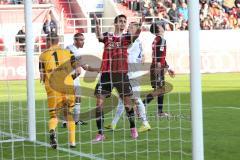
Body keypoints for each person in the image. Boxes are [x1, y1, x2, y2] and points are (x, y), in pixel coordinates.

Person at [92, 14, 138, 142]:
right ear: (115, 23)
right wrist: (96, 24)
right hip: (106, 73)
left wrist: (139, 26)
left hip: (120, 74)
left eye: (124, 21)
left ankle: (133, 128)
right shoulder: (107, 36)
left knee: (128, 104)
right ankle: (100, 134)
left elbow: (136, 35)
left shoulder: (126, 38)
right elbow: (99, 36)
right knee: (98, 104)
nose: (123, 23)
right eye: (121, 21)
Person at [104, 22, 151, 133]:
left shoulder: (132, 40)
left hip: (133, 74)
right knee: (122, 99)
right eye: (128, 26)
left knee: (136, 99)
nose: (128, 28)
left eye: (131, 27)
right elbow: (142, 55)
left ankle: (145, 123)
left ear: (136, 30)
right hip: (126, 74)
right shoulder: (134, 40)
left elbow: (124, 51)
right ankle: (113, 124)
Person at [39, 33, 77, 149]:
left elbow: (41, 76)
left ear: (48, 42)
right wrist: (71, 78)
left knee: (54, 115)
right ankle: (72, 143)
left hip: (52, 87)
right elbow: (78, 70)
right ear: (58, 41)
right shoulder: (68, 52)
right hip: (67, 84)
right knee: (69, 114)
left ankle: (52, 130)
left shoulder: (42, 56)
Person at [62, 32, 99, 127]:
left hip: (72, 77)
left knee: (77, 98)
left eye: (83, 40)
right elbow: (84, 67)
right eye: (81, 40)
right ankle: (66, 121)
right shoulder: (73, 50)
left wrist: (96, 69)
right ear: (75, 40)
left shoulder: (70, 48)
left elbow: (84, 67)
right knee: (71, 99)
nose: (83, 42)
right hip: (71, 77)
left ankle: (73, 121)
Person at [142, 21, 175, 117]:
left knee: (160, 89)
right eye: (160, 25)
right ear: (158, 29)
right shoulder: (161, 40)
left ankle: (159, 112)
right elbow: (159, 56)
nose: (163, 26)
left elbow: (160, 56)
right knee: (160, 90)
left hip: (156, 66)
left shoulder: (156, 39)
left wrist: (168, 68)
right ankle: (141, 105)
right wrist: (159, 68)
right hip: (157, 67)